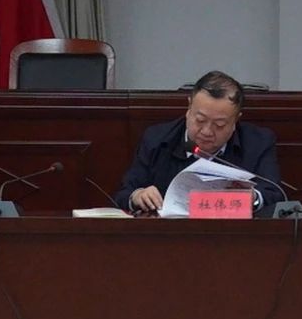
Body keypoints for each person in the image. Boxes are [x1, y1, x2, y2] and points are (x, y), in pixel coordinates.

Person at [115, 71, 283, 216]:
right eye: (200, 120)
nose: (207, 131)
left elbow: (275, 194)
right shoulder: (157, 139)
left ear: (235, 120)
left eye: (219, 125)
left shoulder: (258, 142)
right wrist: (138, 195)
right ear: (189, 108)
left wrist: (252, 198)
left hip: (232, 236)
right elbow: (124, 193)